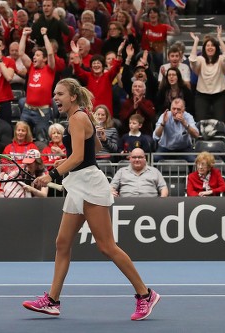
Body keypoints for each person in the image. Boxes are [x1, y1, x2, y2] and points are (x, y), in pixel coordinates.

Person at [23, 78, 160, 320]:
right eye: (55, 94)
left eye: (60, 94)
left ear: (73, 96)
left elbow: (77, 157)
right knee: (62, 243)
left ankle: (145, 294)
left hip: (89, 185)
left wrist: (50, 174)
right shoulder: (81, 115)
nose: (56, 98)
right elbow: (94, 148)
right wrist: (67, 160)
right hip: (78, 183)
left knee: (106, 246)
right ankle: (52, 300)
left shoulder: (78, 118)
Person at [18, 26, 56, 143]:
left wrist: (44, 35)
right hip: (27, 110)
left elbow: (50, 53)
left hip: (42, 112)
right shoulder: (31, 68)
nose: (34, 57)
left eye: (38, 55)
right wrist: (24, 35)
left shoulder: (50, 69)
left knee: (41, 139)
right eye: (34, 55)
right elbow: (20, 53)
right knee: (21, 136)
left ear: (44, 59)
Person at [189, 27, 225, 122]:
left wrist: (219, 38)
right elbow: (192, 60)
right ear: (204, 48)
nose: (210, 47)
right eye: (207, 45)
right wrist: (196, 41)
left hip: (220, 94)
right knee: (200, 121)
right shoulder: (200, 59)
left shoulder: (221, 59)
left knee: (220, 121)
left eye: (213, 45)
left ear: (216, 48)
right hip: (202, 95)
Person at [153, 98, 199, 162]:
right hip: (165, 148)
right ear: (170, 108)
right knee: (155, 159)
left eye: (178, 109)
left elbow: (196, 135)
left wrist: (185, 124)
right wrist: (163, 124)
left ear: (184, 110)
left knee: (193, 160)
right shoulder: (164, 116)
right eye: (173, 109)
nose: (175, 112)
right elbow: (156, 136)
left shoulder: (188, 117)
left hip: (184, 148)